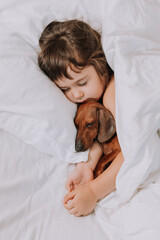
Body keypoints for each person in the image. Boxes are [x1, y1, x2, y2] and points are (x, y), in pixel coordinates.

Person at [38, 19, 124, 217]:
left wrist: (94, 192)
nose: (75, 95)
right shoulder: (89, 101)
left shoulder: (112, 93)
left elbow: (132, 151)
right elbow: (100, 138)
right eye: (66, 89)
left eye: (82, 82)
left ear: (102, 66)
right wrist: (86, 167)